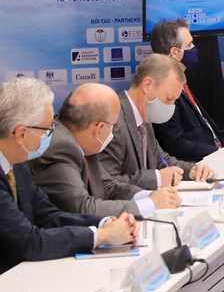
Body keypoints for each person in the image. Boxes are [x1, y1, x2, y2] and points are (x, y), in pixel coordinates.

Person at [0, 76, 137, 274]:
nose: (52, 134)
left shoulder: (18, 165)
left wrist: (105, 223)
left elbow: (49, 216)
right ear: (21, 134)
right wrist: (102, 236)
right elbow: (29, 241)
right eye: (47, 130)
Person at [30, 82, 181, 217]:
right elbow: (84, 208)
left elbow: (108, 186)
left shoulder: (83, 142)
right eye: (113, 126)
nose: (112, 132)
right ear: (99, 128)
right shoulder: (61, 147)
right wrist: (151, 204)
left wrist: (151, 196)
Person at [98, 54, 216, 191]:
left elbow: (162, 160)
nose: (172, 106)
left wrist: (192, 170)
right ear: (147, 85)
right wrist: (157, 179)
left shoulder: (144, 118)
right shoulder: (114, 121)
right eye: (169, 98)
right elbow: (107, 183)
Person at [148, 18, 223, 160]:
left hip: (213, 153)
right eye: (189, 45)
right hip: (196, 163)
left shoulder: (181, 82)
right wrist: (218, 152)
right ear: (175, 52)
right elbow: (176, 144)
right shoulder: (163, 90)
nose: (194, 47)